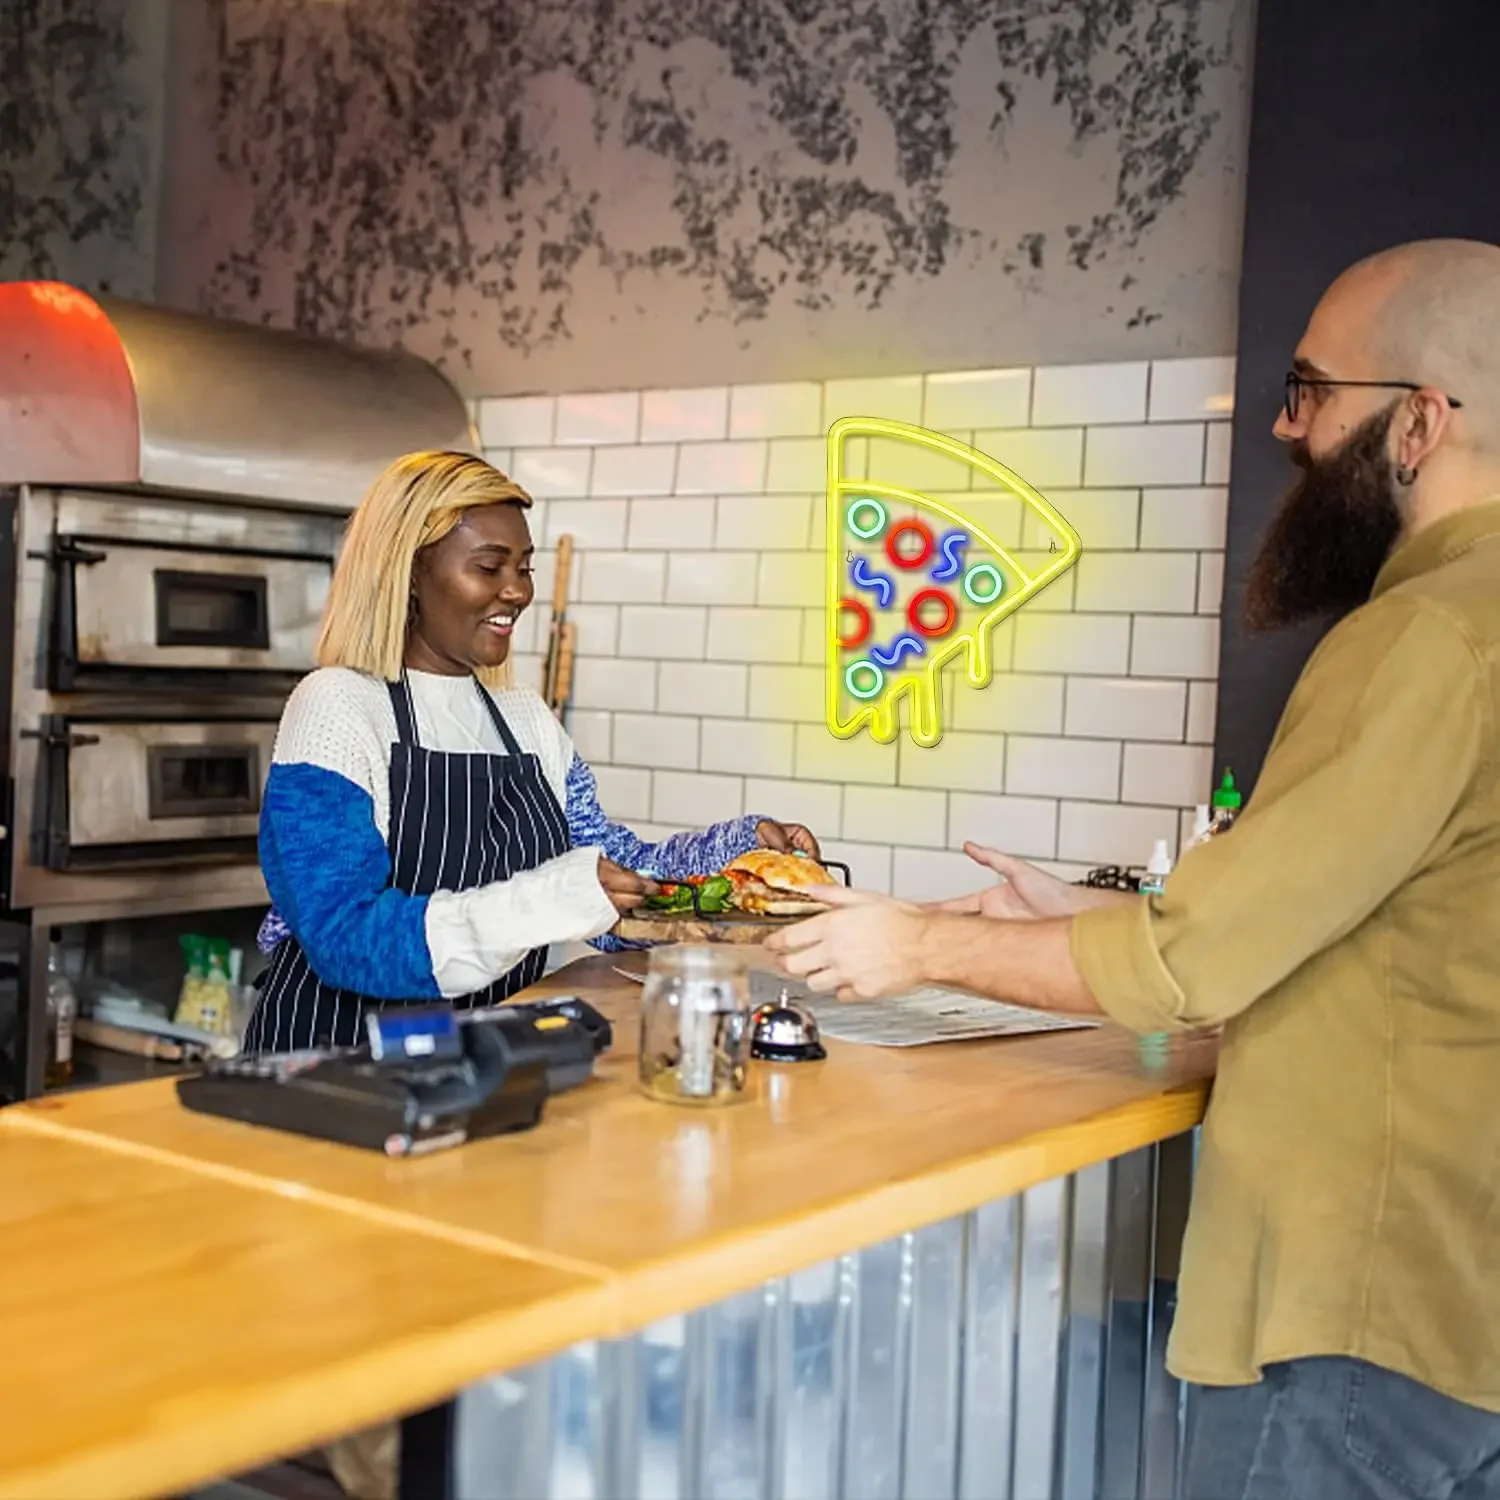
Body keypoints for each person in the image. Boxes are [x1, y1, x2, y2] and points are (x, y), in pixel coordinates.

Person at [768, 240, 1500, 1497]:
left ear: (1421, 421)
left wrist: (915, 946)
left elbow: (1195, 963)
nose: (1285, 424)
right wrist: (1093, 913)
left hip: (1354, 1319)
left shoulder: (1426, 637)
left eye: (1311, 389)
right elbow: (1369, 921)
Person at [246, 449, 819, 1054]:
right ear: (409, 572)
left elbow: (612, 879)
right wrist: (549, 902)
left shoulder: (523, 718)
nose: (517, 592)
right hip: (335, 1063)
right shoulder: (337, 707)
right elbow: (347, 937)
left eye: (524, 568)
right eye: (489, 567)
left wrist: (740, 854)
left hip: (484, 1057)